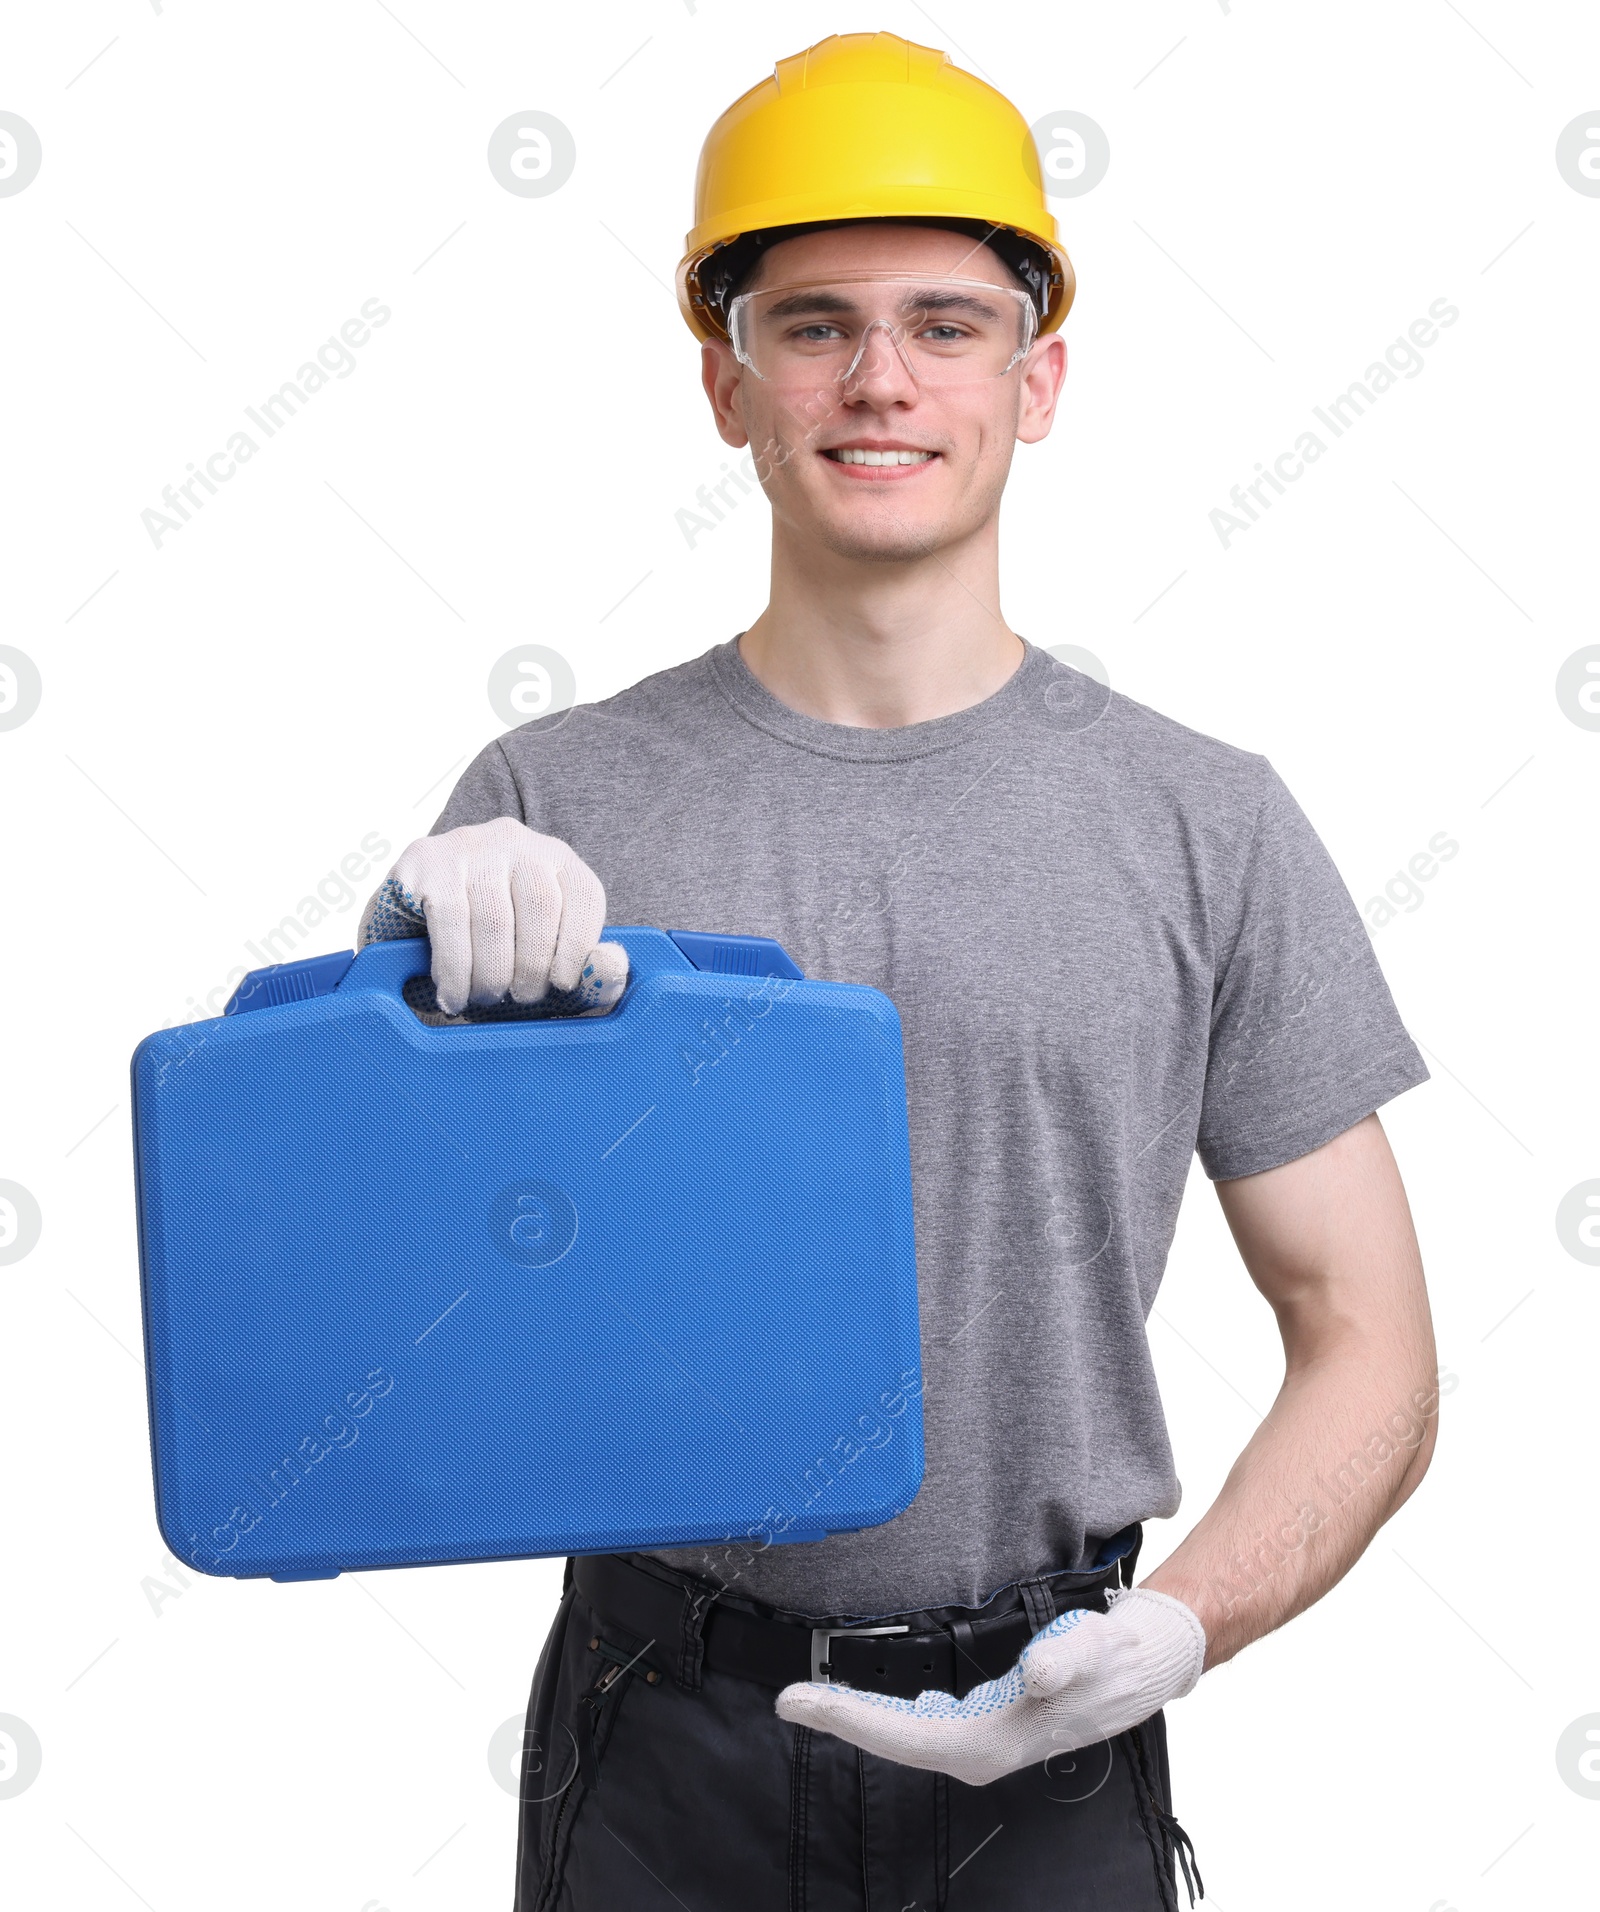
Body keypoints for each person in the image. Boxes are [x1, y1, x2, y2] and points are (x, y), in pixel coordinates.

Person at [358, 32, 1438, 1911]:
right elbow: (397, 1319)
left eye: (947, 323)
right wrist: (401, 987)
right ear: (724, 380)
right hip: (660, 1741)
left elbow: (1373, 1345)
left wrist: (1179, 1632)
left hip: (1059, 1729)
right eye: (814, 324)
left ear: (1040, 380)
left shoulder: (1210, 823)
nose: (880, 381)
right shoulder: (549, 804)